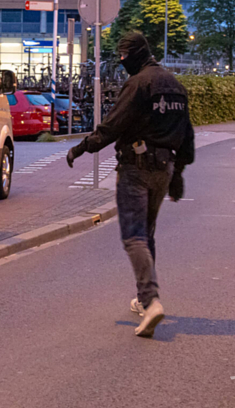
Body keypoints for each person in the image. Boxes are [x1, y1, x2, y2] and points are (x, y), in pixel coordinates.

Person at [66, 32, 194, 338]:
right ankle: (143, 298)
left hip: (135, 167)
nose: (122, 62)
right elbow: (187, 134)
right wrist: (178, 176)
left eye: (125, 57)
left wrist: (82, 148)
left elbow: (113, 125)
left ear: (135, 55)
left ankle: (151, 302)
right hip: (165, 168)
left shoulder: (138, 84)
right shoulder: (176, 86)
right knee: (147, 233)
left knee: (134, 236)